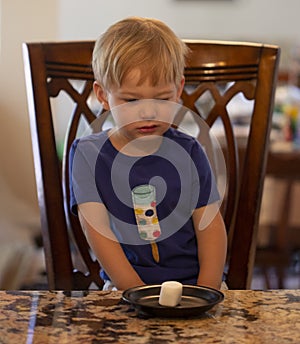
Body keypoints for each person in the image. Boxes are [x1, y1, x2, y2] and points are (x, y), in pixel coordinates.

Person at [69, 16, 227, 291]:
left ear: (178, 90)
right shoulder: (88, 155)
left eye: (162, 98)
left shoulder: (190, 152)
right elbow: (97, 232)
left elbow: (210, 228)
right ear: (103, 95)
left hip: (195, 286)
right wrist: (136, 291)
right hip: (125, 288)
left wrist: (207, 291)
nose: (149, 112)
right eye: (131, 100)